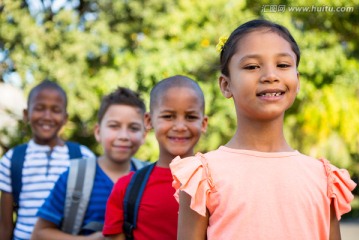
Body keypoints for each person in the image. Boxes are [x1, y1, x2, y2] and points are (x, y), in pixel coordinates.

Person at [170, 19, 357, 240]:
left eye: (283, 65)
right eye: (252, 66)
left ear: (297, 81)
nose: (270, 75)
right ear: (225, 85)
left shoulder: (323, 177)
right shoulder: (203, 176)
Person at [31, 87, 148, 239]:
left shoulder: (149, 178)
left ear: (144, 135)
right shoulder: (74, 177)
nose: (123, 136)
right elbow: (39, 234)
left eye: (133, 128)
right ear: (98, 132)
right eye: (114, 126)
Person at [103, 75, 208, 240]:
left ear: (203, 123)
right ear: (149, 120)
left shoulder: (217, 182)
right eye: (168, 116)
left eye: (190, 117)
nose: (180, 126)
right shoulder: (126, 188)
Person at [0, 80, 95, 240]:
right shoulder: (12, 160)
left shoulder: (83, 157)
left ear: (65, 118)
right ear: (26, 114)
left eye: (56, 110)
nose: (47, 116)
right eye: (39, 108)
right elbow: (5, 225)